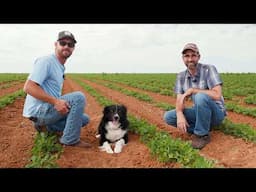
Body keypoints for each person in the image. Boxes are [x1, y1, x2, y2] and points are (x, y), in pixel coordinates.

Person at [23, 30, 92, 148]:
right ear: (56, 44)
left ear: (73, 49)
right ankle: (70, 140)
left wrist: (58, 102)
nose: (66, 46)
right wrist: (56, 101)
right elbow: (28, 87)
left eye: (70, 45)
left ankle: (46, 127)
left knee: (84, 119)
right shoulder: (47, 61)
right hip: (39, 111)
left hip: (46, 112)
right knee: (78, 97)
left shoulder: (60, 66)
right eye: (63, 43)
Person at [163, 43, 226, 149]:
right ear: (183, 58)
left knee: (200, 96)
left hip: (216, 113)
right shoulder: (181, 76)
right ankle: (203, 127)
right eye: (187, 56)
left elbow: (217, 95)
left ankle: (202, 135)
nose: (190, 59)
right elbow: (179, 99)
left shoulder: (208, 69)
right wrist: (179, 114)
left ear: (198, 57)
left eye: (193, 55)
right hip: (199, 112)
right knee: (169, 117)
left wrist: (193, 90)